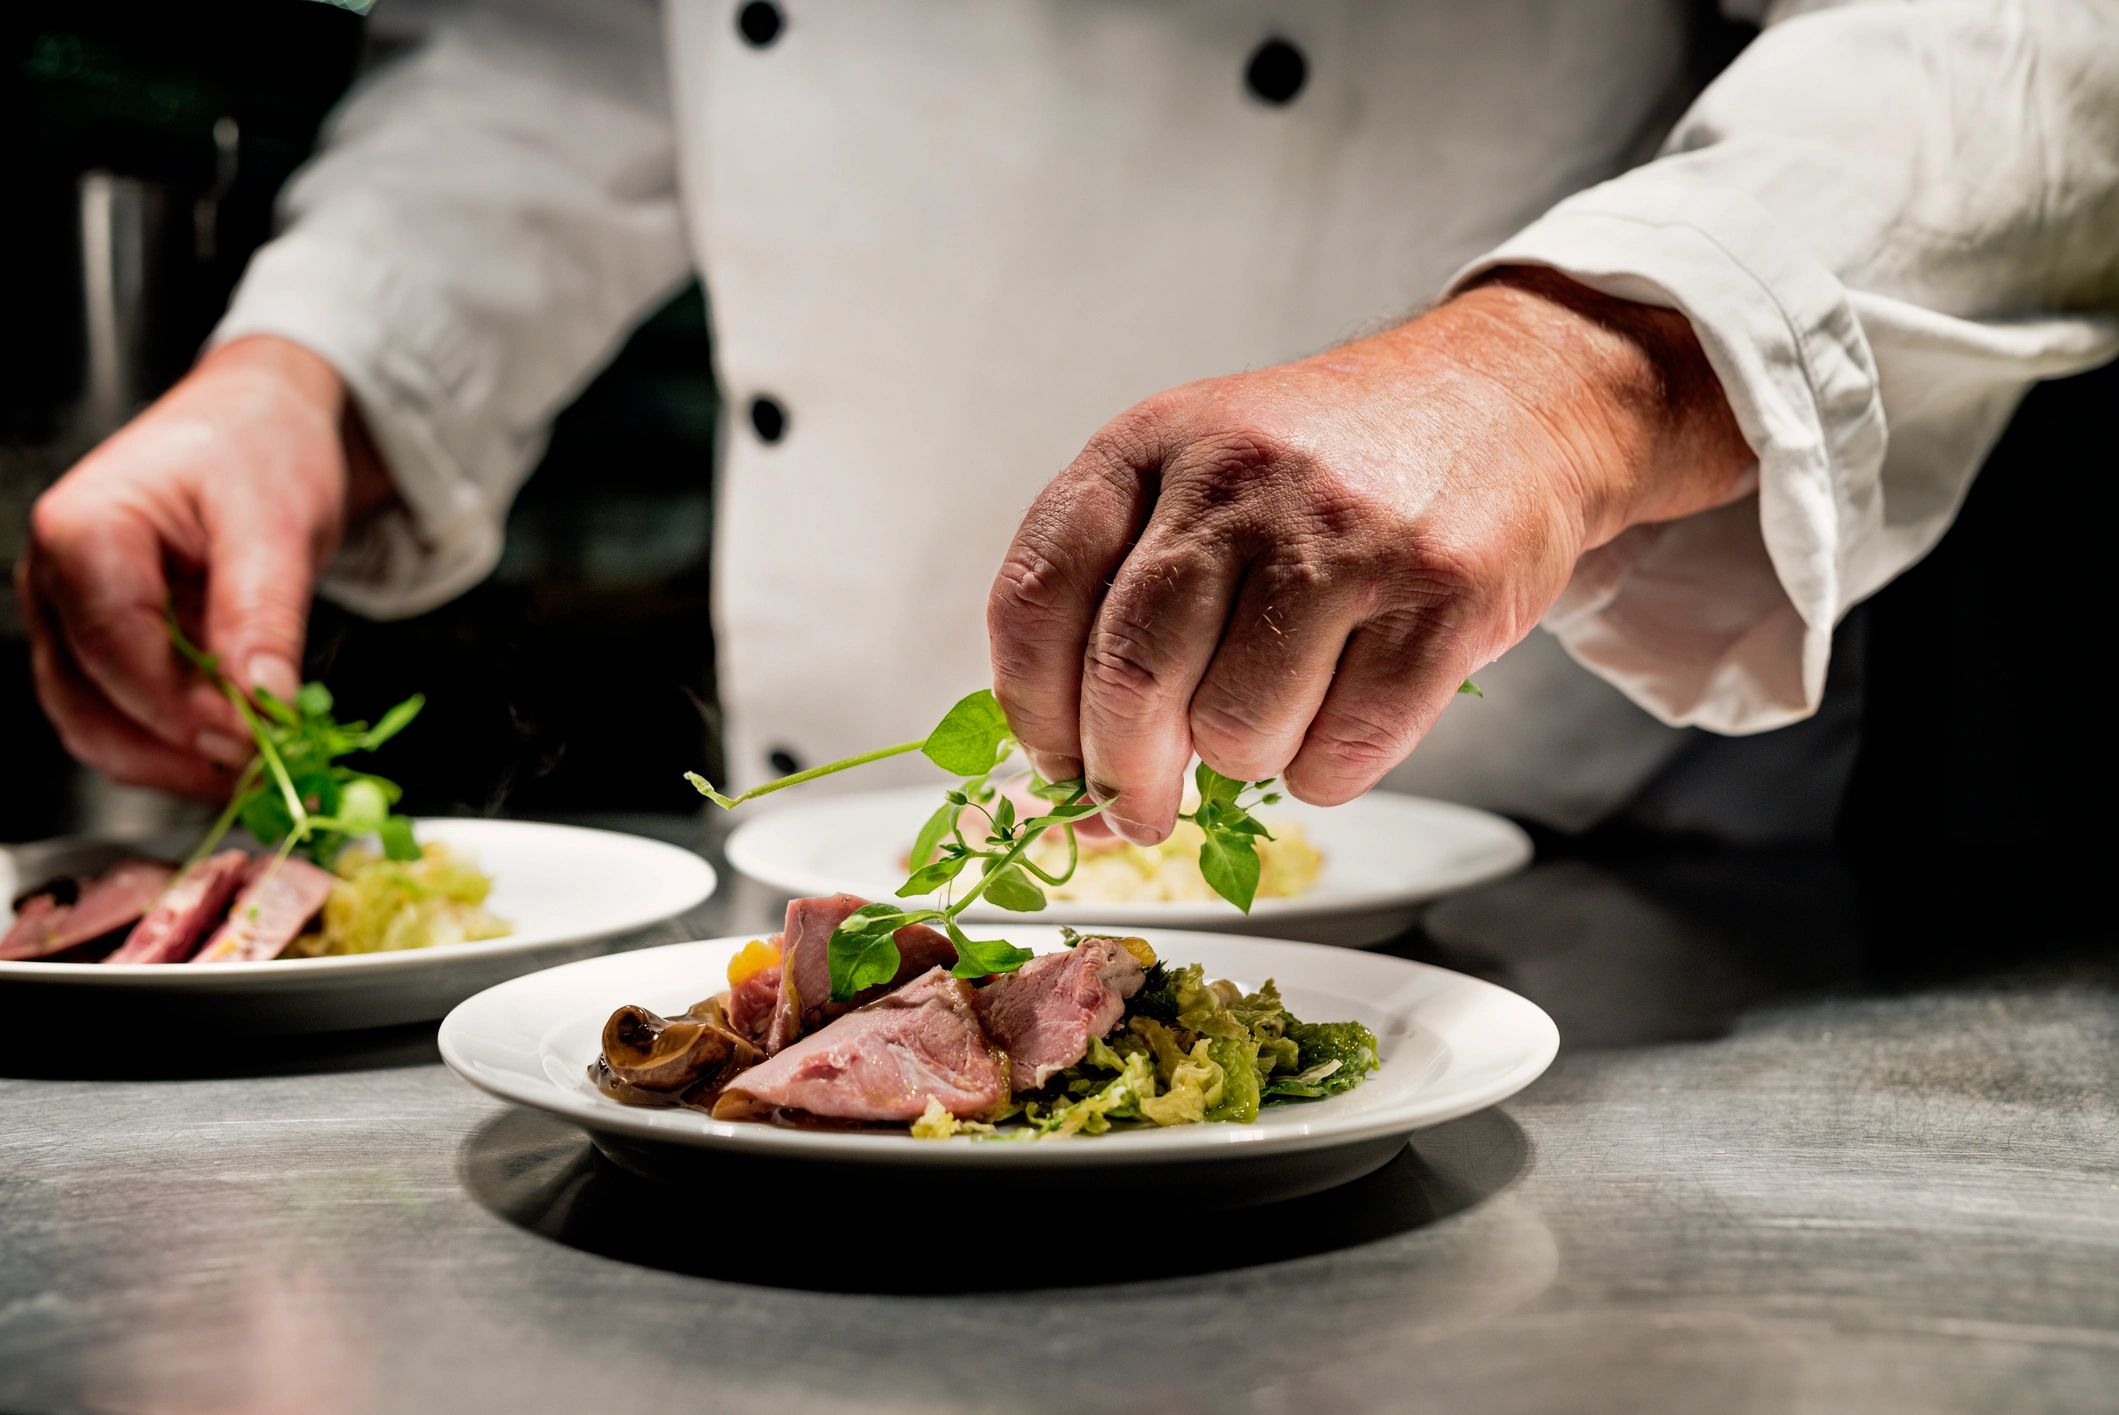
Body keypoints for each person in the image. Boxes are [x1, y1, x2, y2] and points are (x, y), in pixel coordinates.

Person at [19, 1, 2118, 845]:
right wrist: (317, 368)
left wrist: (1568, 365)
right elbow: (571, 47)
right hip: (821, 892)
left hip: (1567, 875)